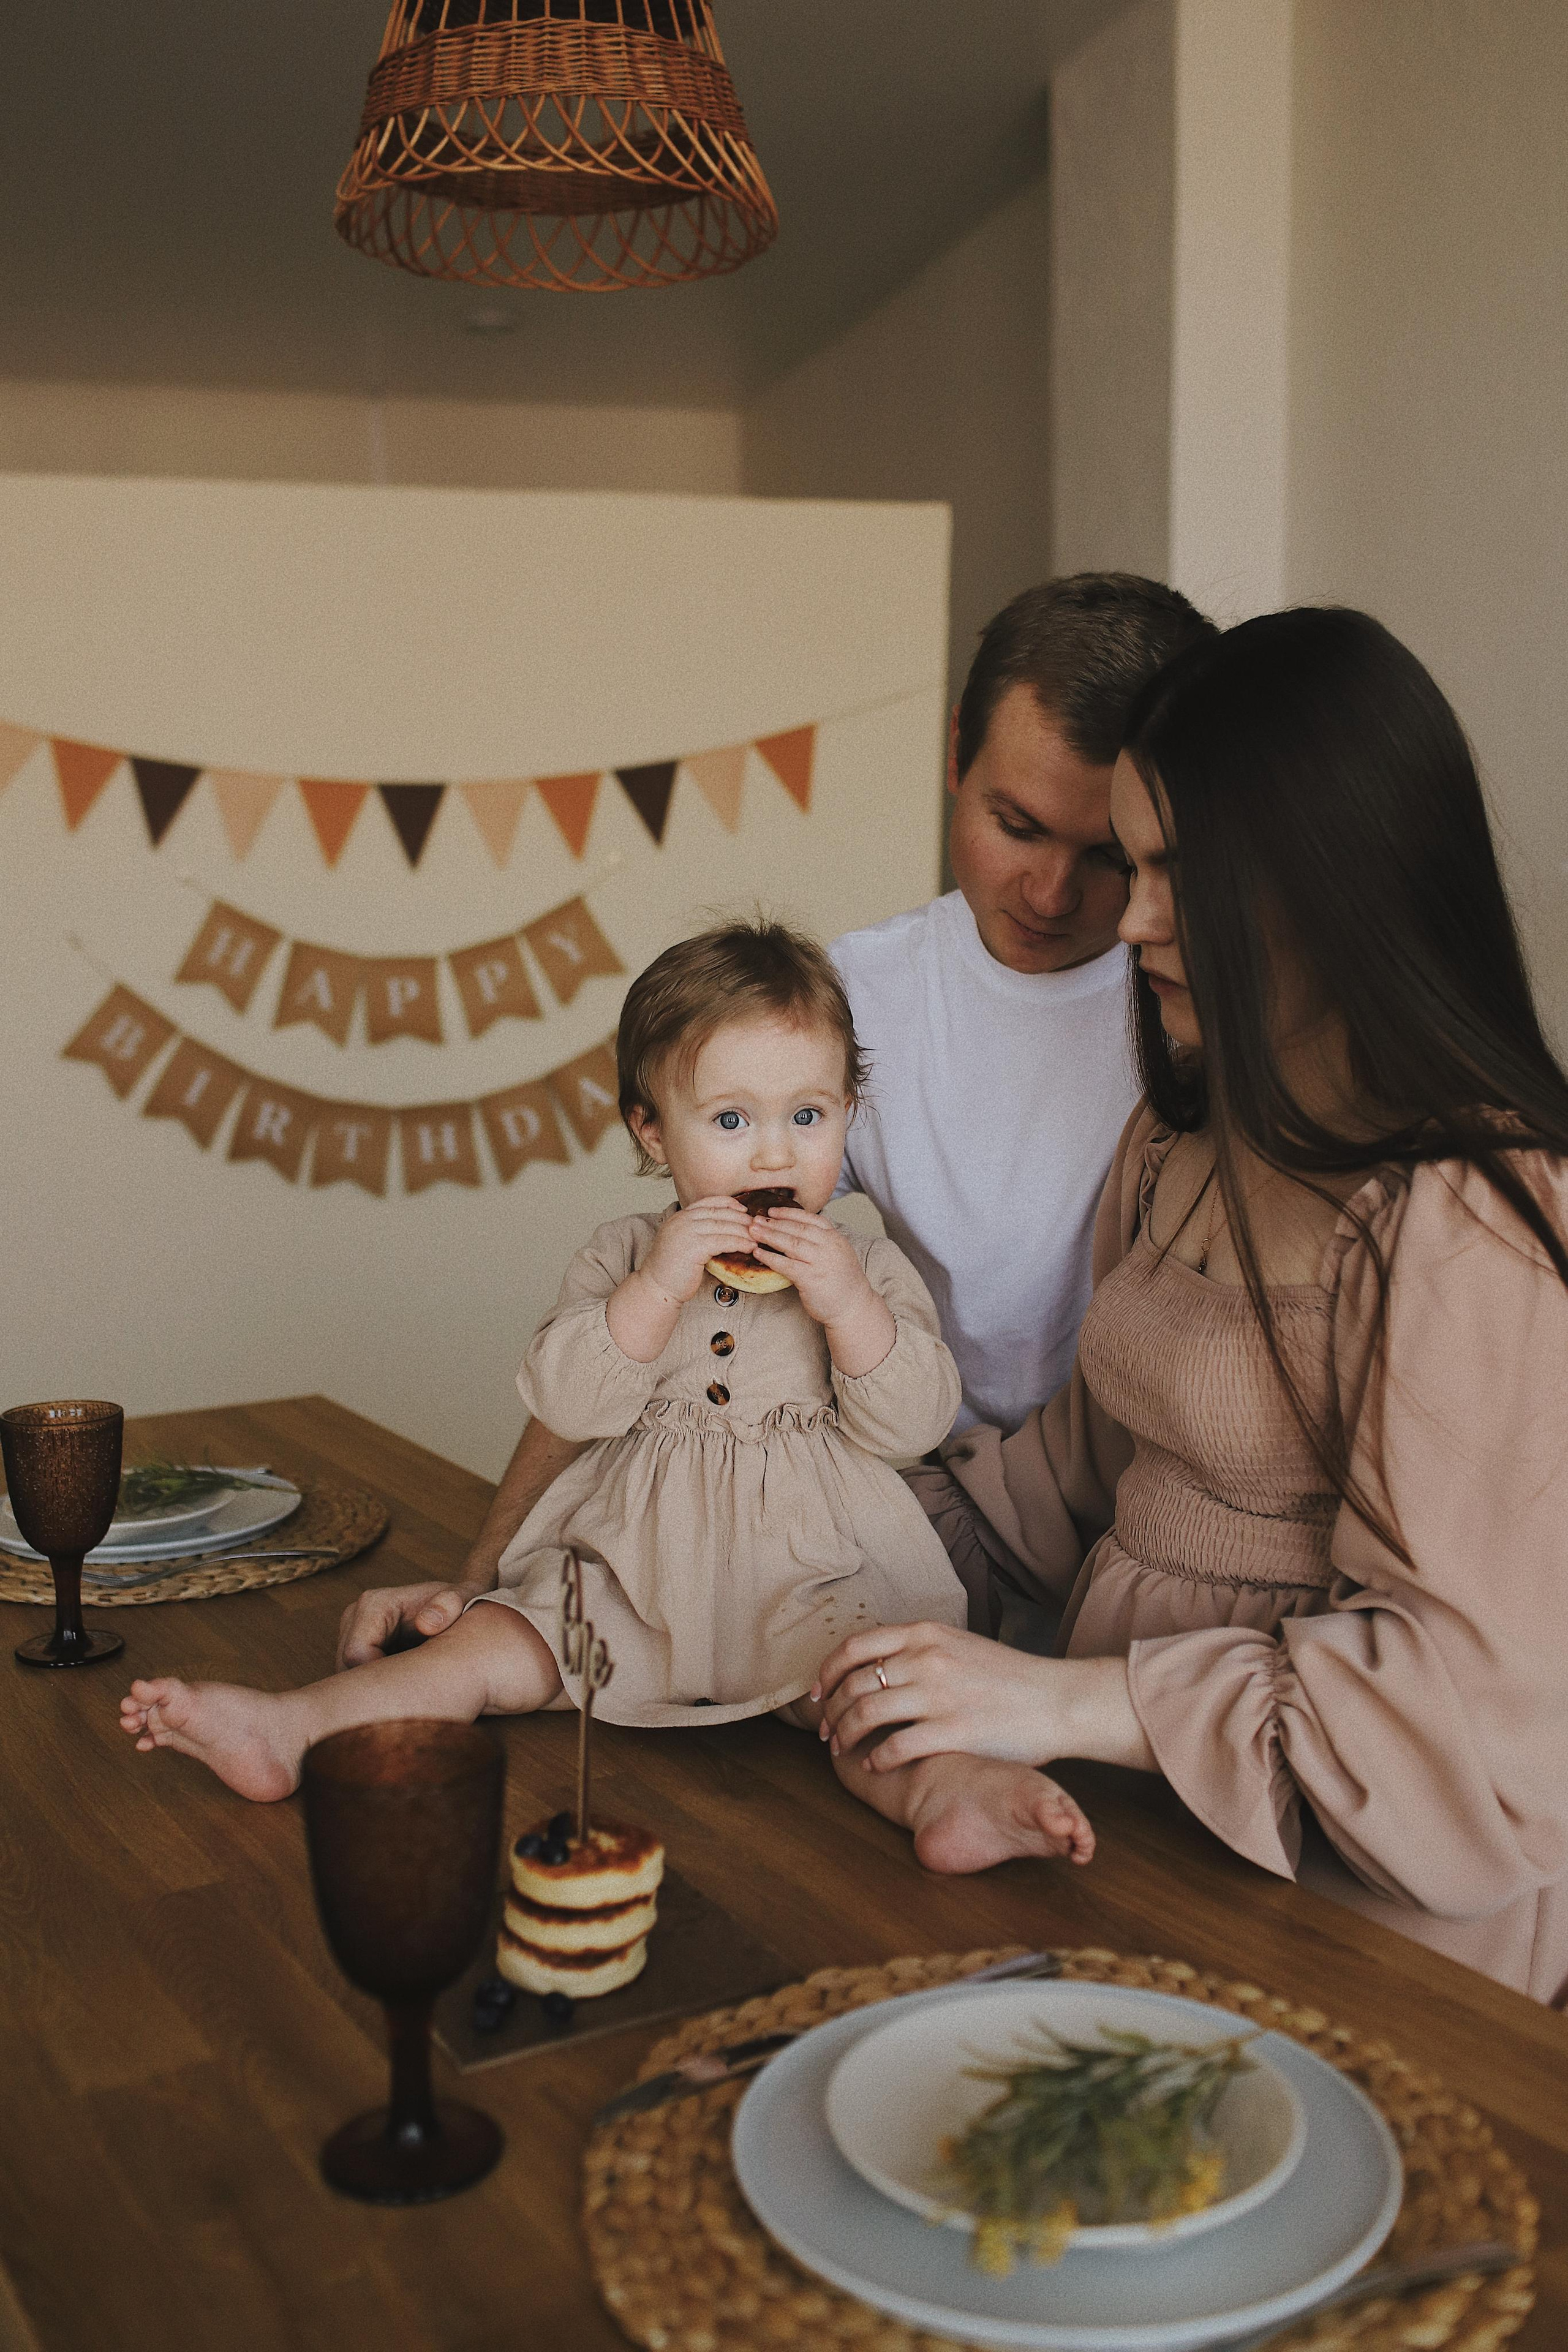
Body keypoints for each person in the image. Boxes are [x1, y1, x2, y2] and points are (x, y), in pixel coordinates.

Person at [813, 608, 1568, 2002]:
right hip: (1131, 1824)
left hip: (1355, 1893)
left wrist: (1077, 1699)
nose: (1132, 920)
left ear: (1326, 883)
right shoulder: (1176, 1140)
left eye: (1167, 873)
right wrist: (782, 1560)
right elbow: (1069, 1477)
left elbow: (1472, 1712)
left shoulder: (1466, 1208)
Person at [337, 572, 1216, 1664]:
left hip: (1167, 1533)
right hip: (929, 1526)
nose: (1048, 893)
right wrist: (480, 1577)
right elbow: (669, 1318)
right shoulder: (853, 1003)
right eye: (1015, 825)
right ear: (955, 756)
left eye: (1109, 858)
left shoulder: (1195, 1004)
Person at [118, 919, 1095, 1860]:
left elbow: (911, 1422)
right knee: (486, 1651)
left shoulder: (866, 1264)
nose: (773, 1154)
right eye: (729, 1120)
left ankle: (948, 1795)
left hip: (816, 1577)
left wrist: (847, 1308)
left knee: (876, 1686)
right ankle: (291, 1730)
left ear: (848, 1111)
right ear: (652, 1131)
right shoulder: (626, 1254)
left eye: (809, 1115)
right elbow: (571, 1400)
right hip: (634, 1576)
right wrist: (660, 1287)